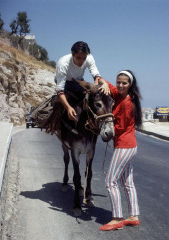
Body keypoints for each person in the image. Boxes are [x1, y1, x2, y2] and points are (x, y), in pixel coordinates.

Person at [97, 70, 142, 231]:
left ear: (130, 85)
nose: (121, 85)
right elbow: (109, 86)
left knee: (110, 181)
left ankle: (117, 218)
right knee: (127, 182)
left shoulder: (127, 103)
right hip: (130, 146)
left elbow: (119, 127)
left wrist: (102, 126)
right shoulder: (120, 95)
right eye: (119, 82)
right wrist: (99, 79)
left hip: (124, 145)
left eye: (124, 83)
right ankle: (133, 216)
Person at [55, 41, 106, 121]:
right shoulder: (63, 63)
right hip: (65, 83)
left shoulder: (89, 57)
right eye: (78, 58)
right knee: (59, 106)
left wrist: (102, 84)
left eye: (84, 58)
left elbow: (96, 75)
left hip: (78, 81)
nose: (82, 61)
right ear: (72, 54)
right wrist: (68, 108)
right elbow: (59, 90)